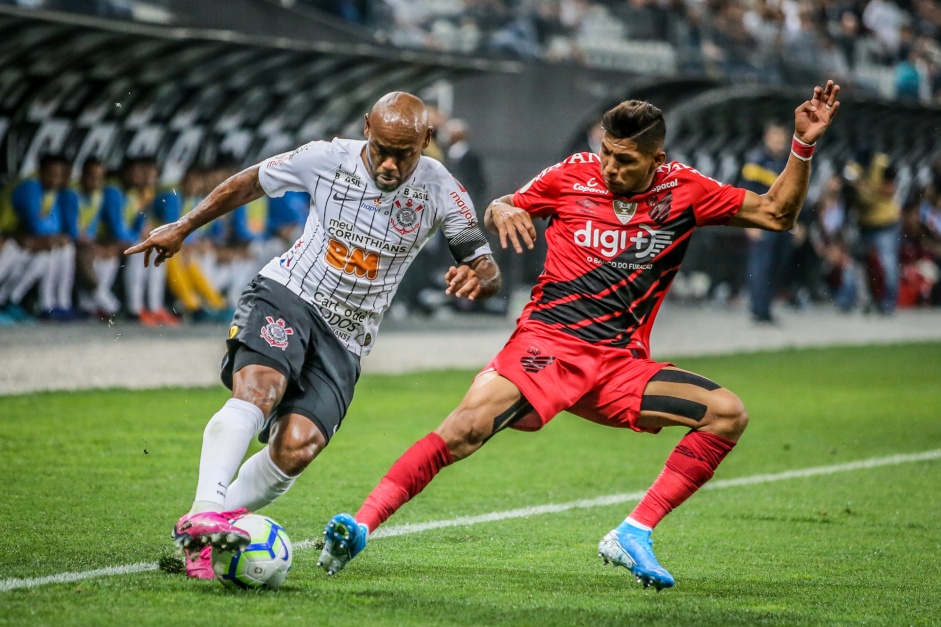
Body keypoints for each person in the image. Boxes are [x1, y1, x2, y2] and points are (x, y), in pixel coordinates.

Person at [318, 81, 841, 590]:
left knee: (727, 415)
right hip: (547, 345)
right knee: (466, 428)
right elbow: (506, 202)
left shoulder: (684, 190)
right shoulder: (574, 174)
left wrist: (803, 145)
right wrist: (503, 209)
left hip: (620, 364)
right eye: (607, 153)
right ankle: (360, 527)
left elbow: (777, 213)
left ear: (657, 161)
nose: (610, 167)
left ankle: (633, 532)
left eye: (625, 160)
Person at [124, 92, 501, 579]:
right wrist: (184, 225)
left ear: (427, 141)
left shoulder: (442, 189)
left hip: (349, 336)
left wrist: (481, 277)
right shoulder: (327, 158)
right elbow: (249, 182)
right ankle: (204, 509)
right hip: (290, 292)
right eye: (381, 148)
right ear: (367, 126)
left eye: (403, 153)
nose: (388, 164)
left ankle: (204, 529)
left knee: (297, 447)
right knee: (260, 388)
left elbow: (482, 261)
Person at [740, 122, 792, 323]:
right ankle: (758, 310)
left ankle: (766, 308)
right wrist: (749, 223)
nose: (779, 142)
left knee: (775, 267)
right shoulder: (756, 162)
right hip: (762, 223)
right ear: (766, 137)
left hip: (781, 223)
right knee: (761, 267)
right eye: (775, 137)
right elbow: (746, 194)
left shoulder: (787, 163)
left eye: (781, 138)